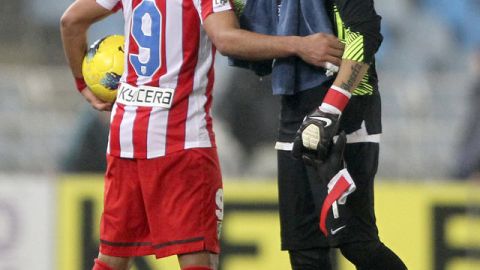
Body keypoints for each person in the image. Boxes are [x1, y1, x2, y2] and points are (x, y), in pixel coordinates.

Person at [60, 0, 344, 269]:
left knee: (111, 260)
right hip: (181, 142)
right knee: (198, 261)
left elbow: (71, 21)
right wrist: (300, 45)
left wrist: (82, 84)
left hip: (126, 137)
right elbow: (226, 39)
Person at [229, 0, 407, 269]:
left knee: (356, 243)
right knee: (304, 250)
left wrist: (330, 109)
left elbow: (365, 33)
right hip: (292, 107)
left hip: (347, 111)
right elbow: (251, 17)